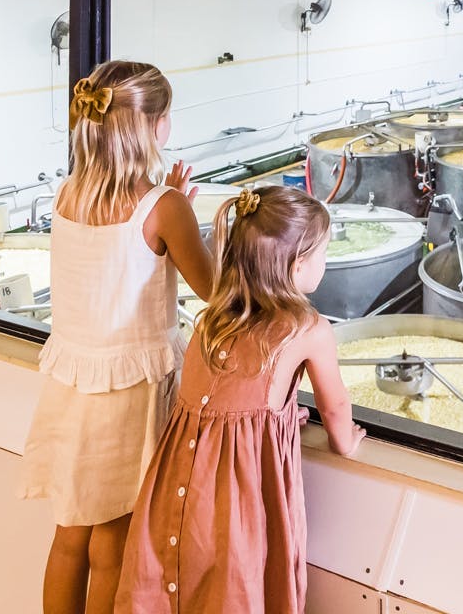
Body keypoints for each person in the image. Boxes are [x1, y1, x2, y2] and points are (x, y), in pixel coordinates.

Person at [17, 61, 215, 614]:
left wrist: (171, 203)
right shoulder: (164, 208)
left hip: (72, 388)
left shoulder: (66, 195)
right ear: (151, 127)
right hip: (128, 398)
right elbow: (212, 288)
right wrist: (198, 222)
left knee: (69, 536)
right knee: (112, 544)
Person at [115, 186, 365, 614]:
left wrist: (277, 418)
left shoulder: (212, 317)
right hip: (233, 504)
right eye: (322, 253)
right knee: (232, 593)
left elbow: (232, 406)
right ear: (298, 264)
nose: (325, 263)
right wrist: (346, 441)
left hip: (175, 491)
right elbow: (335, 408)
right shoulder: (307, 328)